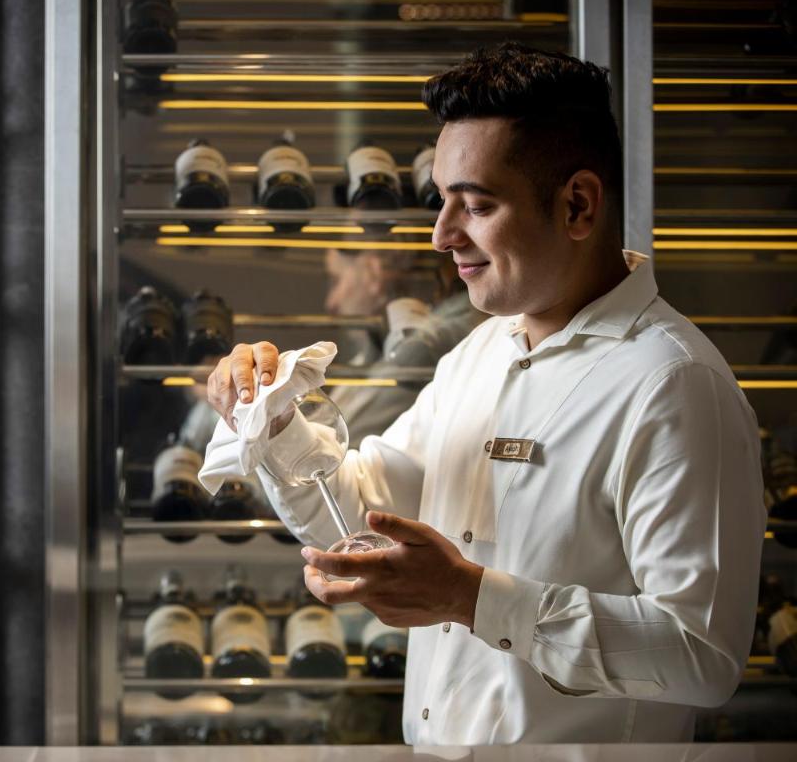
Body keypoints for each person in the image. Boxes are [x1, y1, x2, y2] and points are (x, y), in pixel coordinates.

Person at [205, 43, 765, 744]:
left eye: (475, 204)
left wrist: (469, 598)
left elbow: (701, 654)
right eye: (442, 201)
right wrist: (274, 417)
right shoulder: (481, 351)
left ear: (578, 205)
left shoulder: (674, 385)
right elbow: (363, 511)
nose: (442, 235)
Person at [323, 248, 484, 443]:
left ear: (372, 272)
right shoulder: (375, 349)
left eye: (335, 280)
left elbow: (336, 448)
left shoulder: (423, 347)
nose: (331, 302)